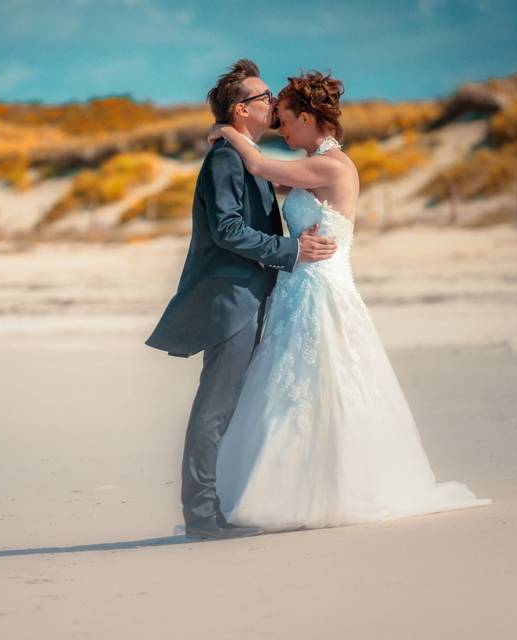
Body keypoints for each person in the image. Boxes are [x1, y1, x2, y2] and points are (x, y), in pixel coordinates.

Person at [208, 69, 492, 532]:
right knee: (291, 390)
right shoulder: (311, 166)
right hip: (298, 289)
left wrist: (226, 132)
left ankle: (332, 488)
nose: (280, 127)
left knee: (328, 384)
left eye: (284, 119)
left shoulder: (332, 166)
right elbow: (266, 180)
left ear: (306, 117)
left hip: (322, 290)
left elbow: (260, 167)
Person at [145, 59, 337, 540]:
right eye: (264, 96)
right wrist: (290, 250)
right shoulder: (226, 159)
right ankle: (202, 517)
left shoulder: (242, 152)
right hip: (231, 299)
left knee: (232, 407)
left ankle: (223, 506)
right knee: (215, 409)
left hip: (255, 295)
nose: (272, 103)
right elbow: (228, 230)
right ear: (241, 110)